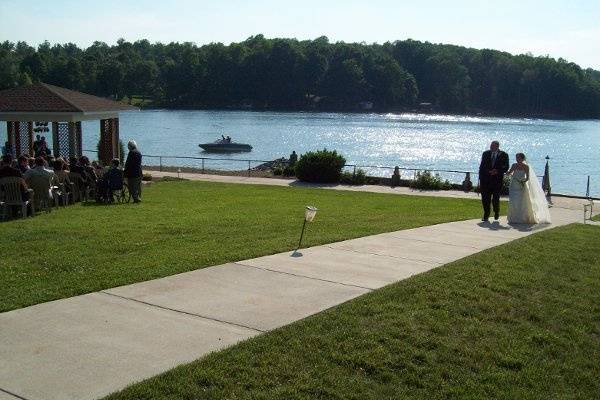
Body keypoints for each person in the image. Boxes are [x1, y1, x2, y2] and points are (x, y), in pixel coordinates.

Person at [506, 153, 551, 224]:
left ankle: (522, 217)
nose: (517, 159)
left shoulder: (526, 166)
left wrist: (523, 181)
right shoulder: (514, 165)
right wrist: (507, 172)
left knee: (522, 201)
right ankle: (514, 217)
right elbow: (510, 172)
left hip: (522, 185)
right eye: (516, 158)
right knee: (513, 201)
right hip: (514, 185)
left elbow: (527, 177)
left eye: (518, 158)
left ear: (522, 158)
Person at [479, 140, 509, 222]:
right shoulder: (485, 154)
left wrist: (497, 171)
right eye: (491, 145)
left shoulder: (504, 155)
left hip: (497, 181)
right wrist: (484, 174)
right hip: (485, 180)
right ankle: (486, 215)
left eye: (493, 146)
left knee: (495, 199)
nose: (491, 147)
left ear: (497, 146)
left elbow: (506, 167)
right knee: (485, 199)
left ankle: (496, 212)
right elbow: (482, 166)